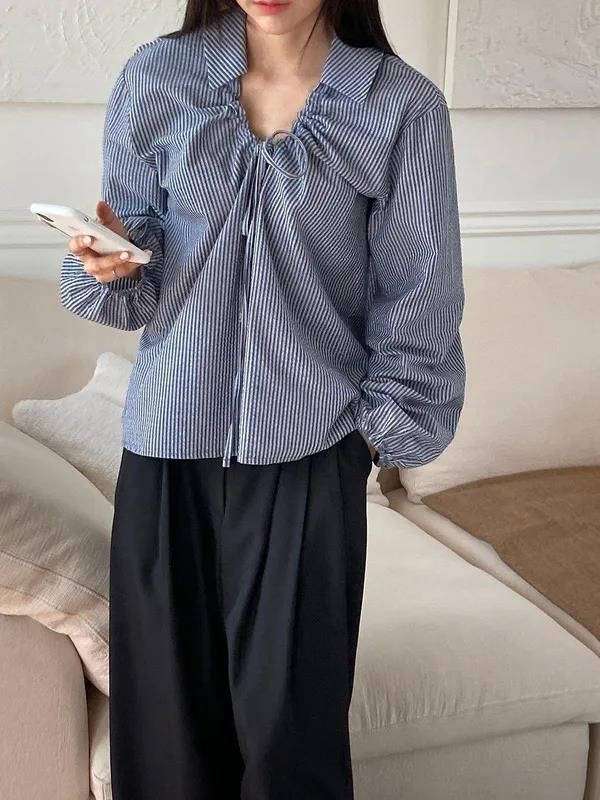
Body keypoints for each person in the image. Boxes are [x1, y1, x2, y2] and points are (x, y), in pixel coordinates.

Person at [59, 0, 466, 797]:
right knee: (166, 742)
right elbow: (137, 275)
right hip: (165, 453)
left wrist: (370, 437)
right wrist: (111, 265)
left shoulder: (400, 106)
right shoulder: (158, 77)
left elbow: (420, 294)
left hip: (310, 455)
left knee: (290, 744)